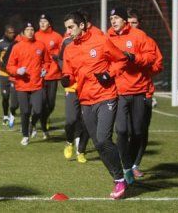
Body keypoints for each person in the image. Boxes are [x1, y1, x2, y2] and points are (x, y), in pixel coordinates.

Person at [61, 11, 128, 199]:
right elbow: (69, 72)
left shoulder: (100, 41)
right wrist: (66, 79)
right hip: (85, 99)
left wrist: (110, 74)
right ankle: (119, 178)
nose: (67, 32)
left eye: (70, 27)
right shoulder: (69, 49)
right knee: (99, 145)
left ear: (81, 25)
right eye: (66, 28)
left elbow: (121, 59)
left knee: (103, 139)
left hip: (106, 96)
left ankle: (120, 179)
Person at [107, 7, 156, 185]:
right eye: (111, 18)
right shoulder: (108, 37)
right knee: (121, 130)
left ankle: (131, 164)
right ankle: (127, 168)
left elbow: (151, 57)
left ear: (125, 20)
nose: (113, 21)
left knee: (137, 132)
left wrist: (133, 57)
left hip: (139, 90)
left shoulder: (139, 35)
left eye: (117, 17)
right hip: (118, 91)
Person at [127, 8, 164, 178]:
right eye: (128, 22)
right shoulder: (117, 40)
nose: (131, 26)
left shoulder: (148, 41)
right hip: (123, 92)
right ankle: (126, 163)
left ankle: (135, 164)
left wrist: (145, 69)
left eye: (134, 23)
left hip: (145, 92)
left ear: (139, 24)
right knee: (124, 130)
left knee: (141, 130)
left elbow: (158, 64)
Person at [6, 22, 51, 145]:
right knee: (25, 111)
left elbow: (47, 61)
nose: (30, 31)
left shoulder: (41, 45)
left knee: (38, 110)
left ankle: (32, 123)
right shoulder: (17, 47)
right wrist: (17, 71)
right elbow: (9, 66)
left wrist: (44, 69)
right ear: (23, 32)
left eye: (32, 29)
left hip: (37, 84)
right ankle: (25, 135)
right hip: (22, 85)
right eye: (27, 29)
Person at [57, 30, 89, 164]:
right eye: (68, 27)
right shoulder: (66, 42)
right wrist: (65, 73)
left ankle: (81, 151)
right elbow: (60, 59)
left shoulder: (92, 42)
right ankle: (69, 141)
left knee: (87, 122)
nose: (70, 30)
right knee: (71, 120)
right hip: (72, 88)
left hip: (88, 88)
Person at [34, 13, 63, 137]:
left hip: (53, 74)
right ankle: (36, 122)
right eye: (40, 21)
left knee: (51, 104)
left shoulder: (57, 36)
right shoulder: (35, 35)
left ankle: (43, 119)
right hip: (39, 74)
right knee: (41, 102)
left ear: (49, 23)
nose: (42, 23)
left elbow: (63, 53)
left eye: (45, 21)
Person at [0, 25, 18, 126]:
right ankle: (5, 115)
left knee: (15, 98)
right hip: (3, 74)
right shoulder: (0, 43)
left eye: (13, 32)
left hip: (14, 75)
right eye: (10, 32)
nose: (13, 34)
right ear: (6, 33)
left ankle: (12, 114)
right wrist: (1, 64)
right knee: (5, 96)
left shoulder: (17, 43)